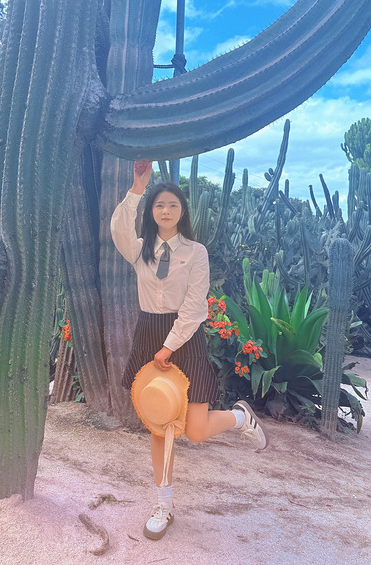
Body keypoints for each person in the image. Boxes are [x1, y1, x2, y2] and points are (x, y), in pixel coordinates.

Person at [110, 160, 268, 540]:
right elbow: (118, 229)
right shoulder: (140, 250)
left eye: (173, 205)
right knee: (158, 424)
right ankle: (163, 505)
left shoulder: (196, 252)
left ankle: (239, 418)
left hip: (184, 337)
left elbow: (196, 308)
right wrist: (136, 190)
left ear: (182, 211)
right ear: (152, 211)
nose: (165, 210)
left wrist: (168, 348)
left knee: (195, 431)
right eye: (159, 205)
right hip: (148, 333)